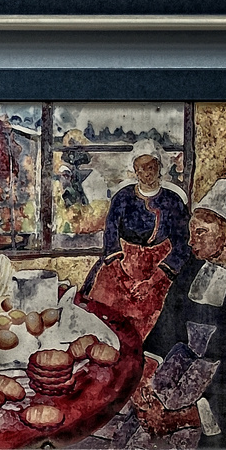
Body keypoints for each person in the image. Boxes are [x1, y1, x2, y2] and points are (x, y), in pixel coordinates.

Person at [137, 178, 226, 449]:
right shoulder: (193, 268)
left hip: (222, 403)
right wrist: (147, 371)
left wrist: (181, 417)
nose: (192, 241)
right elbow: (166, 327)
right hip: (176, 377)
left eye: (201, 232)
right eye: (191, 232)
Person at [84, 141, 190, 335]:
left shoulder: (173, 201)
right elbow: (111, 236)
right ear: (134, 171)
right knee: (103, 317)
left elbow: (182, 245)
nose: (146, 173)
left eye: (151, 167)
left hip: (159, 271)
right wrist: (122, 276)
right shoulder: (122, 198)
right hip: (121, 266)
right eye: (141, 168)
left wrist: (152, 282)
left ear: (160, 168)